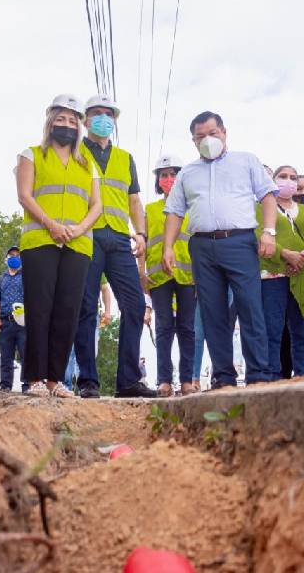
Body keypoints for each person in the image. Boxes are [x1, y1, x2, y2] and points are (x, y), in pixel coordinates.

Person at [163, 111, 277, 389]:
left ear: (224, 132)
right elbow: (175, 211)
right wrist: (168, 246)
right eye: (200, 136)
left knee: (250, 307)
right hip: (202, 246)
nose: (207, 140)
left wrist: (269, 232)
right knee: (212, 313)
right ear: (193, 141)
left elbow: (267, 195)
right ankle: (223, 377)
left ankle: (258, 375)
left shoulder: (246, 161)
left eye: (212, 133)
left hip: (240, 242)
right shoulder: (187, 173)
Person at [15, 94, 102, 397]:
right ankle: (35, 378)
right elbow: (25, 195)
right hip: (40, 240)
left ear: (79, 126)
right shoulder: (32, 154)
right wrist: (51, 224)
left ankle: (55, 380)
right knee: (40, 309)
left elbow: (97, 206)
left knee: (67, 312)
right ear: (50, 122)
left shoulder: (86, 163)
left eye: (72, 120)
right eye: (60, 119)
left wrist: (79, 229)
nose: (66, 125)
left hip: (78, 245)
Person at [73, 95, 156, 399]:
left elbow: (134, 200)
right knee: (86, 307)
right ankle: (87, 381)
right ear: (85, 120)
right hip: (87, 235)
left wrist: (141, 233)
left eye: (109, 114)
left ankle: (129, 381)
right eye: (97, 113)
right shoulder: (75, 151)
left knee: (134, 305)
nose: (103, 118)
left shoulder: (124, 158)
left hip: (120, 238)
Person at [256, 166, 304, 381]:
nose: (289, 180)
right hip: (272, 277)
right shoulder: (261, 208)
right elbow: (258, 236)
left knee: (302, 330)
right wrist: (285, 255)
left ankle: (302, 376)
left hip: (303, 276)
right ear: (273, 180)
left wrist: (302, 256)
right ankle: (273, 377)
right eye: (283, 176)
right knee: (272, 330)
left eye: (293, 177)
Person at [142, 154, 197, 397]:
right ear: (158, 180)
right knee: (163, 328)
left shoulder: (192, 208)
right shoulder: (150, 210)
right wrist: (141, 273)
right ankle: (164, 380)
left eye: (173, 174)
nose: (169, 179)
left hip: (188, 276)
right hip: (159, 277)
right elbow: (143, 243)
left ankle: (186, 381)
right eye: (164, 175)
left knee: (187, 328)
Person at [63, 278, 111, 390]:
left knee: (88, 351)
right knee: (68, 352)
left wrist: (107, 311)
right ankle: (65, 386)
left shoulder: (95, 268)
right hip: (69, 313)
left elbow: (105, 289)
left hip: (90, 315)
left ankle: (85, 386)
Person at [0, 246, 26, 392]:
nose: (15, 258)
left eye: (18, 255)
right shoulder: (0, 279)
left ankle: (27, 386)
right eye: (12, 255)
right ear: (6, 259)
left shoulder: (28, 277)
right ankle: (5, 386)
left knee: (26, 355)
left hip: (24, 322)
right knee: (6, 357)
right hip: (5, 321)